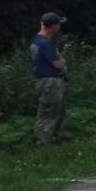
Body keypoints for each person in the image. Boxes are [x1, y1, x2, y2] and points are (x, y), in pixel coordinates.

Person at [30, 13, 68, 144]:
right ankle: (43, 142)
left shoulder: (37, 39)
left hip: (42, 81)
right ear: (52, 26)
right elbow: (58, 64)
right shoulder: (45, 43)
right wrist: (62, 60)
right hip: (49, 82)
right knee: (49, 113)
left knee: (56, 111)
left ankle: (53, 138)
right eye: (58, 24)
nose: (59, 27)